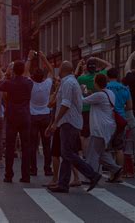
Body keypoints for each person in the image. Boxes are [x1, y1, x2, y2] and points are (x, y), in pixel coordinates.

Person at [47, 61, 102, 193]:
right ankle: (63, 184)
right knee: (67, 153)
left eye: (59, 67)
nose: (58, 69)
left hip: (68, 122)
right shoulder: (69, 82)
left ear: (63, 69)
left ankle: (92, 174)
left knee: (67, 152)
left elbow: (65, 104)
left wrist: (56, 122)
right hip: (71, 122)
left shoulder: (68, 83)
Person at [82, 74, 123, 181]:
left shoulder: (99, 95)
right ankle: (116, 169)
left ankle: (91, 177)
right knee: (101, 153)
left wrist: (80, 91)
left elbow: (83, 100)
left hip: (99, 128)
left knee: (92, 154)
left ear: (96, 83)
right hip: (109, 126)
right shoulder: (109, 93)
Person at [0, 61, 33, 183]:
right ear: (23, 70)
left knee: (10, 147)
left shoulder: (9, 83)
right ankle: (26, 175)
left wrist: (6, 73)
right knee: (25, 146)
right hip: (25, 116)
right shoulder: (28, 83)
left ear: (13, 70)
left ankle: (8, 174)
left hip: (12, 116)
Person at [25, 51, 54, 176]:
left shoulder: (31, 84)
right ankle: (47, 168)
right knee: (46, 144)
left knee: (32, 144)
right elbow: (52, 71)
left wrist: (29, 58)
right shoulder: (47, 84)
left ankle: (33, 168)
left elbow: (25, 72)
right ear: (43, 77)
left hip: (33, 116)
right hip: (46, 115)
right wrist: (44, 58)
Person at [75, 57, 112, 152]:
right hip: (97, 110)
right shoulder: (99, 76)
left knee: (84, 134)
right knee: (94, 134)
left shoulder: (82, 78)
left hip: (85, 109)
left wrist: (81, 68)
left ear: (87, 68)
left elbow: (78, 79)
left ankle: (85, 155)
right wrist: (96, 58)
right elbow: (109, 65)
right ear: (95, 68)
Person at [106, 68, 133, 174]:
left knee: (108, 148)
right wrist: (121, 109)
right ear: (117, 76)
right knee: (119, 147)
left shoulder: (105, 87)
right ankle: (119, 174)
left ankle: (112, 173)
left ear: (107, 77)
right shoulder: (124, 88)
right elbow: (130, 106)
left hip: (108, 119)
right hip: (121, 119)